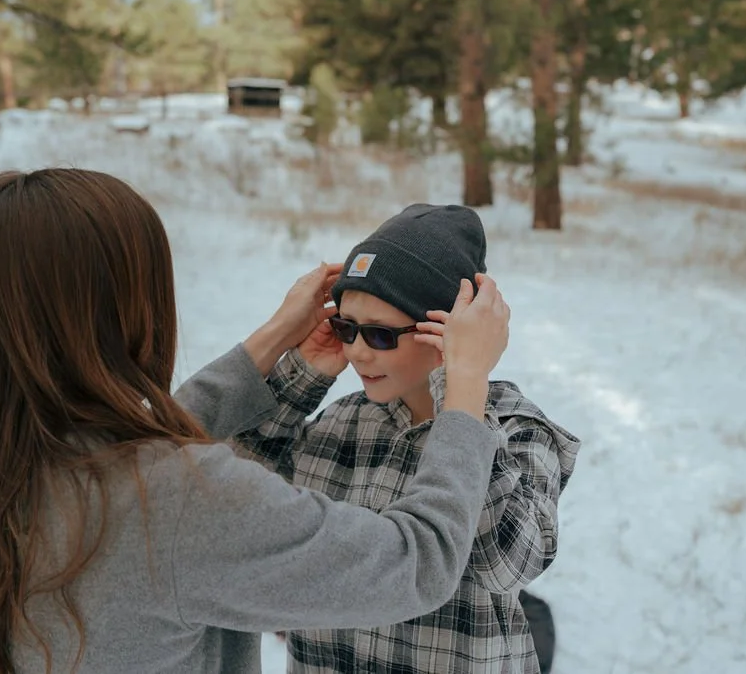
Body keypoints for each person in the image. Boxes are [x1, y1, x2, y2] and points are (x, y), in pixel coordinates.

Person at [0, 170, 512, 674]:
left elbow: (138, 452)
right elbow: (421, 561)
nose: (359, 349)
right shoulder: (177, 503)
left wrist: (274, 338)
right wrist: (465, 389)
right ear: (134, 307)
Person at [193, 204, 581, 674]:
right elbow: (225, 491)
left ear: (443, 331)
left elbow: (510, 564)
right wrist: (303, 376)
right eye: (346, 327)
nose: (355, 350)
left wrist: (462, 381)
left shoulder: (517, 429)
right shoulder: (341, 424)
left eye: (378, 334)